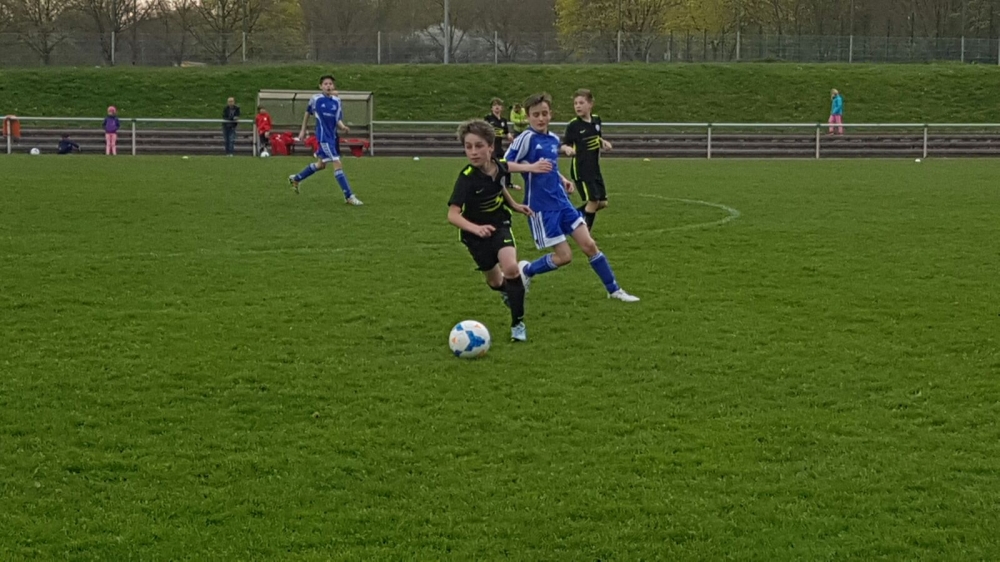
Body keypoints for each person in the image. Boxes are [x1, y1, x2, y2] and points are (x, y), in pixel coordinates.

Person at [505, 93, 639, 303]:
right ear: (528, 117)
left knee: (589, 245)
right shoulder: (526, 138)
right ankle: (527, 270)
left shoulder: (553, 139)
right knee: (564, 257)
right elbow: (503, 164)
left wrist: (562, 179)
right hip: (542, 207)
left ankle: (614, 290)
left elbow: (549, 166)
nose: (541, 118)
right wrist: (530, 167)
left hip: (562, 202)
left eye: (544, 114)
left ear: (551, 114)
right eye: (535, 115)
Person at [448, 119, 538, 342]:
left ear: (490, 147)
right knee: (496, 283)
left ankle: (518, 325)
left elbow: (500, 185)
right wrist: (476, 229)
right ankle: (511, 292)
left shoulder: (499, 166)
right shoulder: (467, 178)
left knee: (511, 269)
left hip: (499, 225)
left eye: (479, 146)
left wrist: (514, 206)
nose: (473, 152)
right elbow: (453, 215)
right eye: (468, 147)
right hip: (475, 235)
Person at [288, 74, 363, 206]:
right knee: (337, 163)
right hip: (323, 137)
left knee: (321, 165)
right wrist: (303, 129)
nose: (328, 86)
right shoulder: (316, 99)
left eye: (330, 84)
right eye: (325, 84)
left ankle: (296, 178)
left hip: (332, 137)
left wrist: (343, 127)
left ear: (333, 86)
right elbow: (307, 113)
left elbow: (337, 119)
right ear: (320, 86)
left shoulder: (337, 101)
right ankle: (349, 196)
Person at [561, 89, 613, 232]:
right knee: (593, 201)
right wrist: (567, 149)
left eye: (581, 103)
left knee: (602, 203)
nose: (578, 106)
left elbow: (597, 137)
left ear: (590, 104)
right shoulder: (573, 125)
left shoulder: (596, 120)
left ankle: (570, 218)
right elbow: (564, 144)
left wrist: (603, 142)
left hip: (595, 168)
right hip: (581, 169)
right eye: (575, 103)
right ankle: (585, 236)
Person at [484, 97, 514, 187]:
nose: (497, 107)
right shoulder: (488, 119)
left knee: (504, 163)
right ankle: (488, 182)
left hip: (499, 147)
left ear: (502, 108)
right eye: (494, 105)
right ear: (491, 108)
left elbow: (506, 132)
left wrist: (509, 136)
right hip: (490, 147)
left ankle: (508, 183)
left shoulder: (503, 121)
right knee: (490, 165)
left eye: (499, 105)